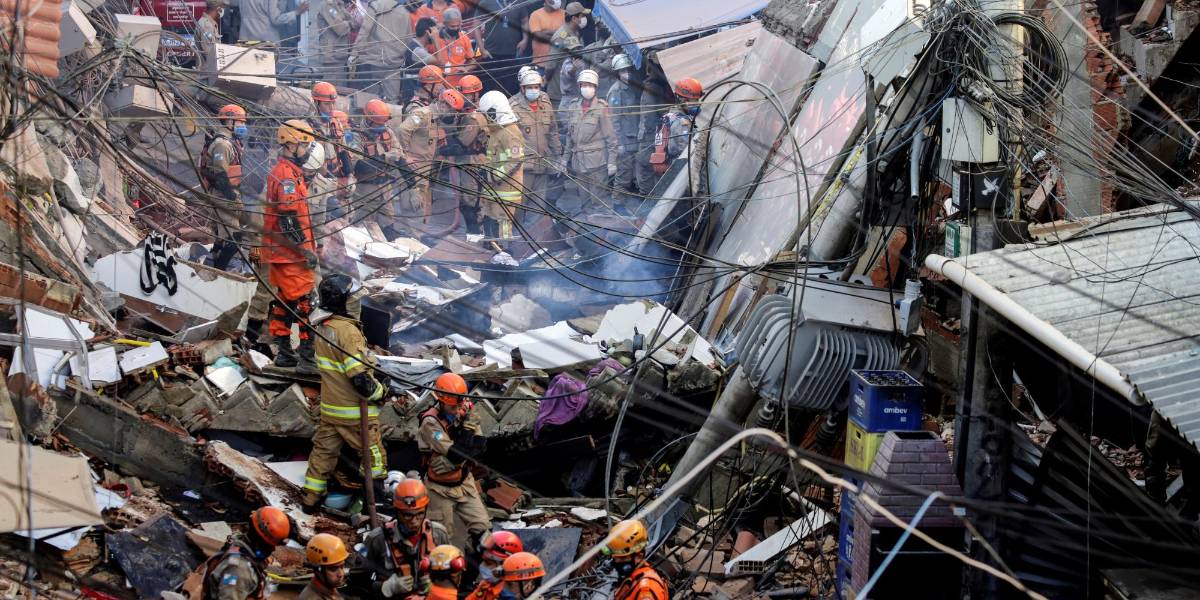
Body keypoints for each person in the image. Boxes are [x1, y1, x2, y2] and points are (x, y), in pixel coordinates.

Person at [300, 274, 389, 511]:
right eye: (353, 299)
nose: (357, 304)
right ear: (342, 302)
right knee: (373, 456)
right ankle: (376, 501)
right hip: (354, 412)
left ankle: (310, 498)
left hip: (331, 409)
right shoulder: (348, 332)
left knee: (323, 454)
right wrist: (381, 392)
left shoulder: (323, 327)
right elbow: (360, 379)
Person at [265, 120, 319, 373]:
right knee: (307, 303)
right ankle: (308, 360)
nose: (307, 151)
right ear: (291, 143)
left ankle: (285, 354)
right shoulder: (286, 174)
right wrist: (303, 250)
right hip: (290, 255)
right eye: (304, 145)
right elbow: (288, 216)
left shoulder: (287, 171)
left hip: (282, 253)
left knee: (284, 303)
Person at [418, 372, 491, 542]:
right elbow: (456, 454)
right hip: (439, 488)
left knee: (483, 529)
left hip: (464, 482)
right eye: (453, 408)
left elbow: (480, 447)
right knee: (442, 537)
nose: (458, 411)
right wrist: (467, 432)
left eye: (460, 406)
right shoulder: (430, 423)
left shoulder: (464, 409)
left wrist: (453, 462)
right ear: (441, 402)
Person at [363, 479, 451, 598]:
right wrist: (385, 587)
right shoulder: (376, 539)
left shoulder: (439, 534)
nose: (414, 522)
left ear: (425, 510)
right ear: (397, 512)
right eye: (407, 515)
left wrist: (436, 583)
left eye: (419, 514)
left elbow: (453, 575)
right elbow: (355, 581)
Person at [201, 507, 292, 599]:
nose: (272, 549)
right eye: (270, 545)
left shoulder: (239, 542)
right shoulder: (239, 570)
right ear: (261, 542)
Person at [561, 68, 617, 217]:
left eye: (590, 85)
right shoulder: (573, 107)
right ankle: (588, 231)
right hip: (578, 162)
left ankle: (602, 230)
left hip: (597, 162)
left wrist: (612, 161)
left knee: (598, 201)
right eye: (583, 85)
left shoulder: (601, 108)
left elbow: (611, 138)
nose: (586, 88)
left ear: (595, 88)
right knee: (584, 201)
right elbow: (569, 136)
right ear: (579, 87)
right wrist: (564, 159)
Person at [508, 67, 560, 224]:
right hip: (523, 168)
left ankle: (533, 240)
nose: (534, 91)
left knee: (538, 205)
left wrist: (558, 157)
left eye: (536, 87)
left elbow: (552, 131)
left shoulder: (545, 102)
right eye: (530, 87)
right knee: (518, 205)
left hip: (543, 163)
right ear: (522, 88)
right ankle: (516, 239)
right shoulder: (513, 106)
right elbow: (508, 139)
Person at [199, 103, 247, 271]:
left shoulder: (230, 141)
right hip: (222, 196)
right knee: (235, 239)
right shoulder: (223, 144)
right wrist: (232, 198)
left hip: (224, 195)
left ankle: (211, 263)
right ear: (229, 122)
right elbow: (219, 174)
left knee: (221, 236)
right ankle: (218, 271)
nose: (243, 126)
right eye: (240, 123)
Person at [437, 88, 488, 234]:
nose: (463, 96)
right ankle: (474, 235)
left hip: (473, 162)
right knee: (467, 201)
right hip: (466, 162)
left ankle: (476, 236)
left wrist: (443, 150)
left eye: (466, 94)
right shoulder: (465, 113)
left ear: (475, 94)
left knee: (470, 203)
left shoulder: (474, 118)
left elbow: (463, 143)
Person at [353, 99, 406, 237]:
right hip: (365, 190)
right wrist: (386, 157)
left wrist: (411, 184)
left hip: (385, 188)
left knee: (388, 225)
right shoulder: (356, 136)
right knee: (363, 229)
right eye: (378, 123)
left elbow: (399, 156)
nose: (382, 126)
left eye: (384, 123)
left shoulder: (387, 132)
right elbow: (359, 166)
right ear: (368, 120)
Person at [399, 66, 445, 223]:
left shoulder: (430, 106)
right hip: (416, 165)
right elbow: (404, 130)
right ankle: (412, 240)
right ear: (428, 85)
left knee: (423, 206)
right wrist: (405, 155)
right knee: (414, 208)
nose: (441, 87)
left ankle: (418, 239)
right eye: (438, 84)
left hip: (426, 164)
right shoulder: (417, 108)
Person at [478, 90, 524, 245]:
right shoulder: (496, 131)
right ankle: (491, 248)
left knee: (503, 222)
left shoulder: (510, 132)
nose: (485, 118)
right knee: (489, 216)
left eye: (486, 114)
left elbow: (515, 161)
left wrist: (491, 176)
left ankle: (504, 252)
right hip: (493, 189)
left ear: (494, 112)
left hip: (507, 191)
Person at [351, 0, 417, 101]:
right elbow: (408, 38)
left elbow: (365, 31)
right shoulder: (403, 10)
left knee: (371, 99)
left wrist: (354, 53)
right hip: (395, 63)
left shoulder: (376, 6)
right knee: (392, 100)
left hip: (375, 61)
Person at [651, 77, 706, 194]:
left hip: (666, 170)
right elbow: (687, 151)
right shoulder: (682, 123)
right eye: (693, 101)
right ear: (682, 100)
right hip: (678, 172)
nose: (697, 104)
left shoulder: (669, 116)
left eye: (698, 100)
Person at [606, 53, 639, 213]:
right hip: (625, 140)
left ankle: (626, 203)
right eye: (623, 71)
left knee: (633, 173)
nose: (627, 73)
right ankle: (617, 205)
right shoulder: (616, 92)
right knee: (623, 175)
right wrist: (619, 143)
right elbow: (614, 121)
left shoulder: (631, 88)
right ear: (617, 73)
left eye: (628, 70)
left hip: (634, 138)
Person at [606, 519, 667, 600]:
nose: (616, 561)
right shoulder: (633, 577)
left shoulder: (646, 590)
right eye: (615, 557)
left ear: (639, 557)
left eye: (622, 557)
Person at [634, 70, 672, 196]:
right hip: (659, 133)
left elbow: (648, 117)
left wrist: (648, 136)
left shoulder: (651, 88)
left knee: (645, 167)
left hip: (651, 135)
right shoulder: (661, 87)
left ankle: (647, 199)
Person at [475, 0, 524, 95]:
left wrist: (525, 40)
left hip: (513, 54)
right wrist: (482, 48)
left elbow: (525, 21)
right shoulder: (485, 3)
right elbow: (476, 26)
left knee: (511, 89)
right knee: (487, 88)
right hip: (490, 54)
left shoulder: (518, 2)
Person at [544, 1, 587, 100]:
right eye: (582, 16)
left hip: (572, 90)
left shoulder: (574, 32)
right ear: (574, 18)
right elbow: (550, 65)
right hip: (560, 92)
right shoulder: (561, 36)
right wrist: (547, 80)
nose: (584, 19)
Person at [468, 531, 523, 600]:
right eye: (483, 561)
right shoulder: (487, 584)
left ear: (505, 566)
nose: (482, 565)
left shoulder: (507, 597)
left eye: (488, 563)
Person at [432, 7, 476, 89]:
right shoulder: (435, 37)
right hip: (438, 85)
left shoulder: (464, 38)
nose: (456, 29)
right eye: (452, 26)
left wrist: (466, 68)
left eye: (458, 26)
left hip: (458, 85)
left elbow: (473, 61)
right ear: (444, 24)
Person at [315, 0, 354, 87]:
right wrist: (349, 23)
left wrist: (348, 22)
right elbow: (341, 28)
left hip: (339, 56)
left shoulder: (339, 4)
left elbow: (352, 20)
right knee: (332, 92)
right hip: (331, 57)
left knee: (340, 91)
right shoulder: (327, 5)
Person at [300, 533, 350, 599]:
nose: (341, 574)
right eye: (333, 569)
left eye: (342, 566)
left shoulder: (328, 587)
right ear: (318, 570)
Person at [238, 0, 308, 43]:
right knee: (266, 67)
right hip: (265, 43)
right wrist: (297, 12)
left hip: (245, 39)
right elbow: (276, 19)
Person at [520, 0, 563, 67]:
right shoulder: (535, 15)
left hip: (560, 65)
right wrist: (558, 35)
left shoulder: (564, 14)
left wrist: (546, 32)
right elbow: (537, 35)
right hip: (540, 64)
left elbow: (567, 33)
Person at [195, 0, 225, 68]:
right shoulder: (207, 26)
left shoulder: (209, 23)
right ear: (218, 9)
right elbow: (209, 52)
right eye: (223, 8)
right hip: (208, 71)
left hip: (209, 70)